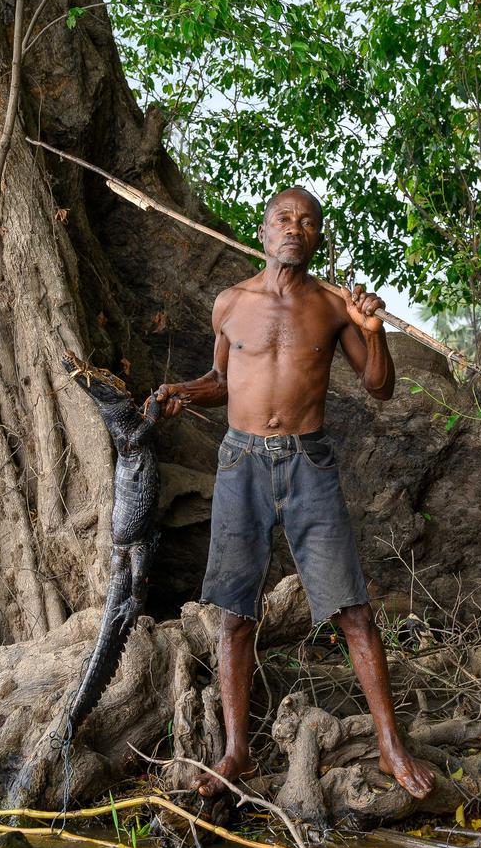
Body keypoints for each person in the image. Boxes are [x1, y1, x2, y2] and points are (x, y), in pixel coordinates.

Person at [155, 186, 435, 800]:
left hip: (310, 464)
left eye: (307, 222)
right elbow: (221, 380)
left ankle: (390, 746)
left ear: (316, 239)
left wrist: (373, 330)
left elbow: (379, 387)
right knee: (233, 613)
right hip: (241, 465)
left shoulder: (335, 307)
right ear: (263, 230)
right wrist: (183, 392)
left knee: (354, 609)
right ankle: (237, 753)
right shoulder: (230, 303)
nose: (295, 227)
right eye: (284, 217)